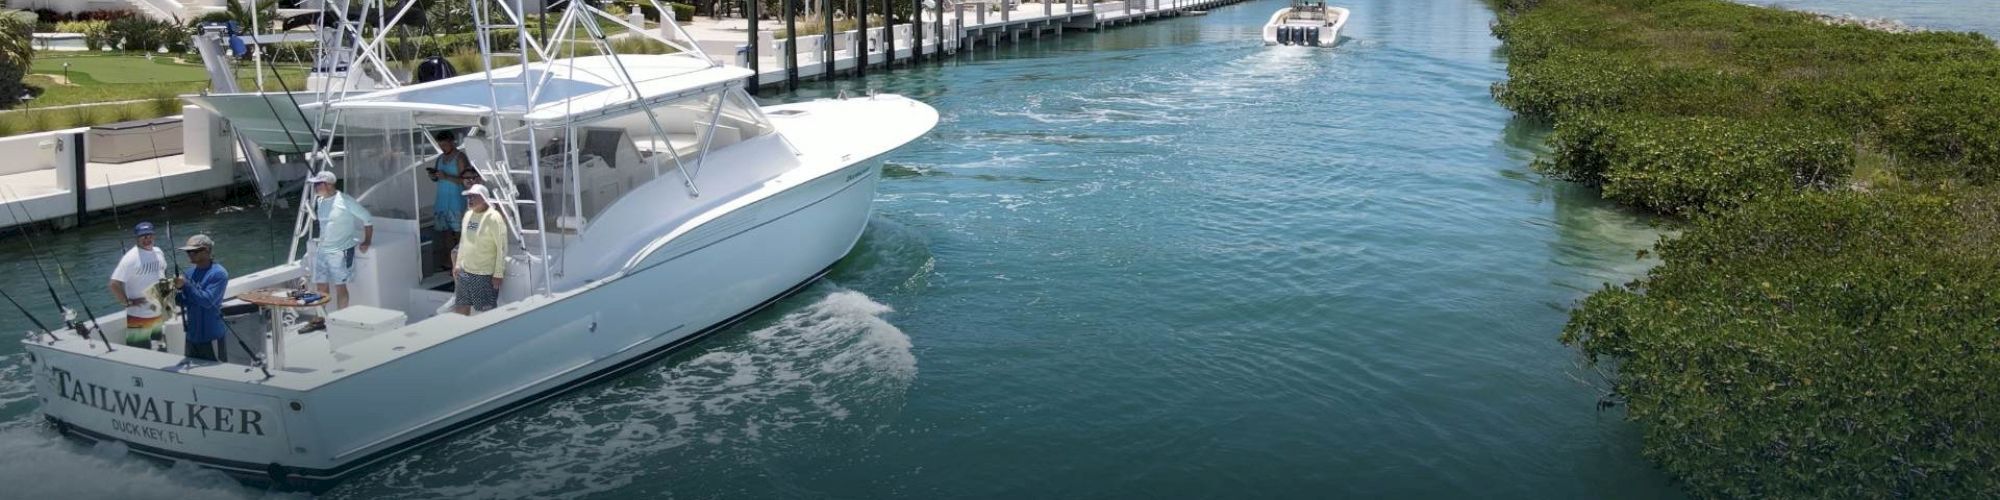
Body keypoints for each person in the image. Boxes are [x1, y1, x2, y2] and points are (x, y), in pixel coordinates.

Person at [310, 170, 373, 311]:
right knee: (320, 286)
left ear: (329, 185)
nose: (315, 188)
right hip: (322, 250)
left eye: (318, 184)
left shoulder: (345, 200)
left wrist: (367, 240)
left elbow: (367, 218)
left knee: (340, 286)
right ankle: (320, 318)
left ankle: (341, 318)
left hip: (341, 251)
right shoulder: (319, 201)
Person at [108, 222, 167, 348]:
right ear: (137, 238)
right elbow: (114, 284)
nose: (147, 239)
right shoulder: (130, 258)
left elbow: (163, 273)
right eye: (143, 236)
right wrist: (127, 302)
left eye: (149, 235)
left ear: (154, 236)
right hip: (139, 316)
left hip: (157, 313)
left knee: (161, 349)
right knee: (140, 353)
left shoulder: (159, 252)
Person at [453, 185, 507, 315]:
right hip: (464, 272)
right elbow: (463, 241)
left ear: (484, 198)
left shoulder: (494, 218)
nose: (469, 199)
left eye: (474, 196)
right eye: (468, 196)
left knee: (486, 312)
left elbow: (502, 247)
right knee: (461, 306)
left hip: (483, 274)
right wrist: (458, 264)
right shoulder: (467, 215)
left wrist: (498, 273)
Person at [174, 234, 229, 362]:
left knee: (217, 375)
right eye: (188, 252)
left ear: (207, 250)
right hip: (192, 337)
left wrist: (186, 285)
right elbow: (184, 302)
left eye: (194, 251)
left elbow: (207, 301)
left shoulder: (219, 274)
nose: (189, 254)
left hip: (212, 337)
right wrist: (174, 291)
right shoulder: (188, 273)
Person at [429, 130, 471, 274]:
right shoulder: (440, 159)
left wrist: (446, 176)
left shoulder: (460, 158)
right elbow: (438, 178)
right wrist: (434, 176)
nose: (443, 148)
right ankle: (450, 262)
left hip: (456, 202)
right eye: (441, 145)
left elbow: (466, 180)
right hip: (442, 201)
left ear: (452, 142)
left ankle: (463, 262)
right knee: (445, 233)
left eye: (445, 145)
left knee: (459, 233)